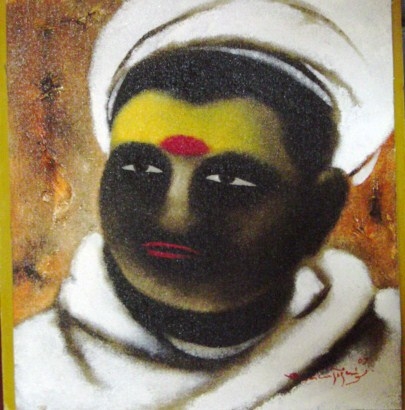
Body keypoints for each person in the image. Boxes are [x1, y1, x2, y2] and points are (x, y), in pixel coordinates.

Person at [14, 1, 401, 409]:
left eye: (229, 181)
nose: (175, 215)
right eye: (142, 168)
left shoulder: (386, 357)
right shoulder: (30, 370)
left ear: (320, 210)